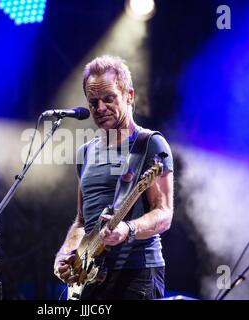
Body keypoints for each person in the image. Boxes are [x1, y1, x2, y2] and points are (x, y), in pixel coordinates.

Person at [53, 55, 174, 300]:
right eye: (93, 102)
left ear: (129, 95)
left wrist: (127, 230)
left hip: (136, 273)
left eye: (108, 99)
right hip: (89, 279)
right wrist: (66, 254)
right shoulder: (84, 152)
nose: (99, 108)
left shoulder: (150, 144)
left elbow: (164, 214)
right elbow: (81, 221)